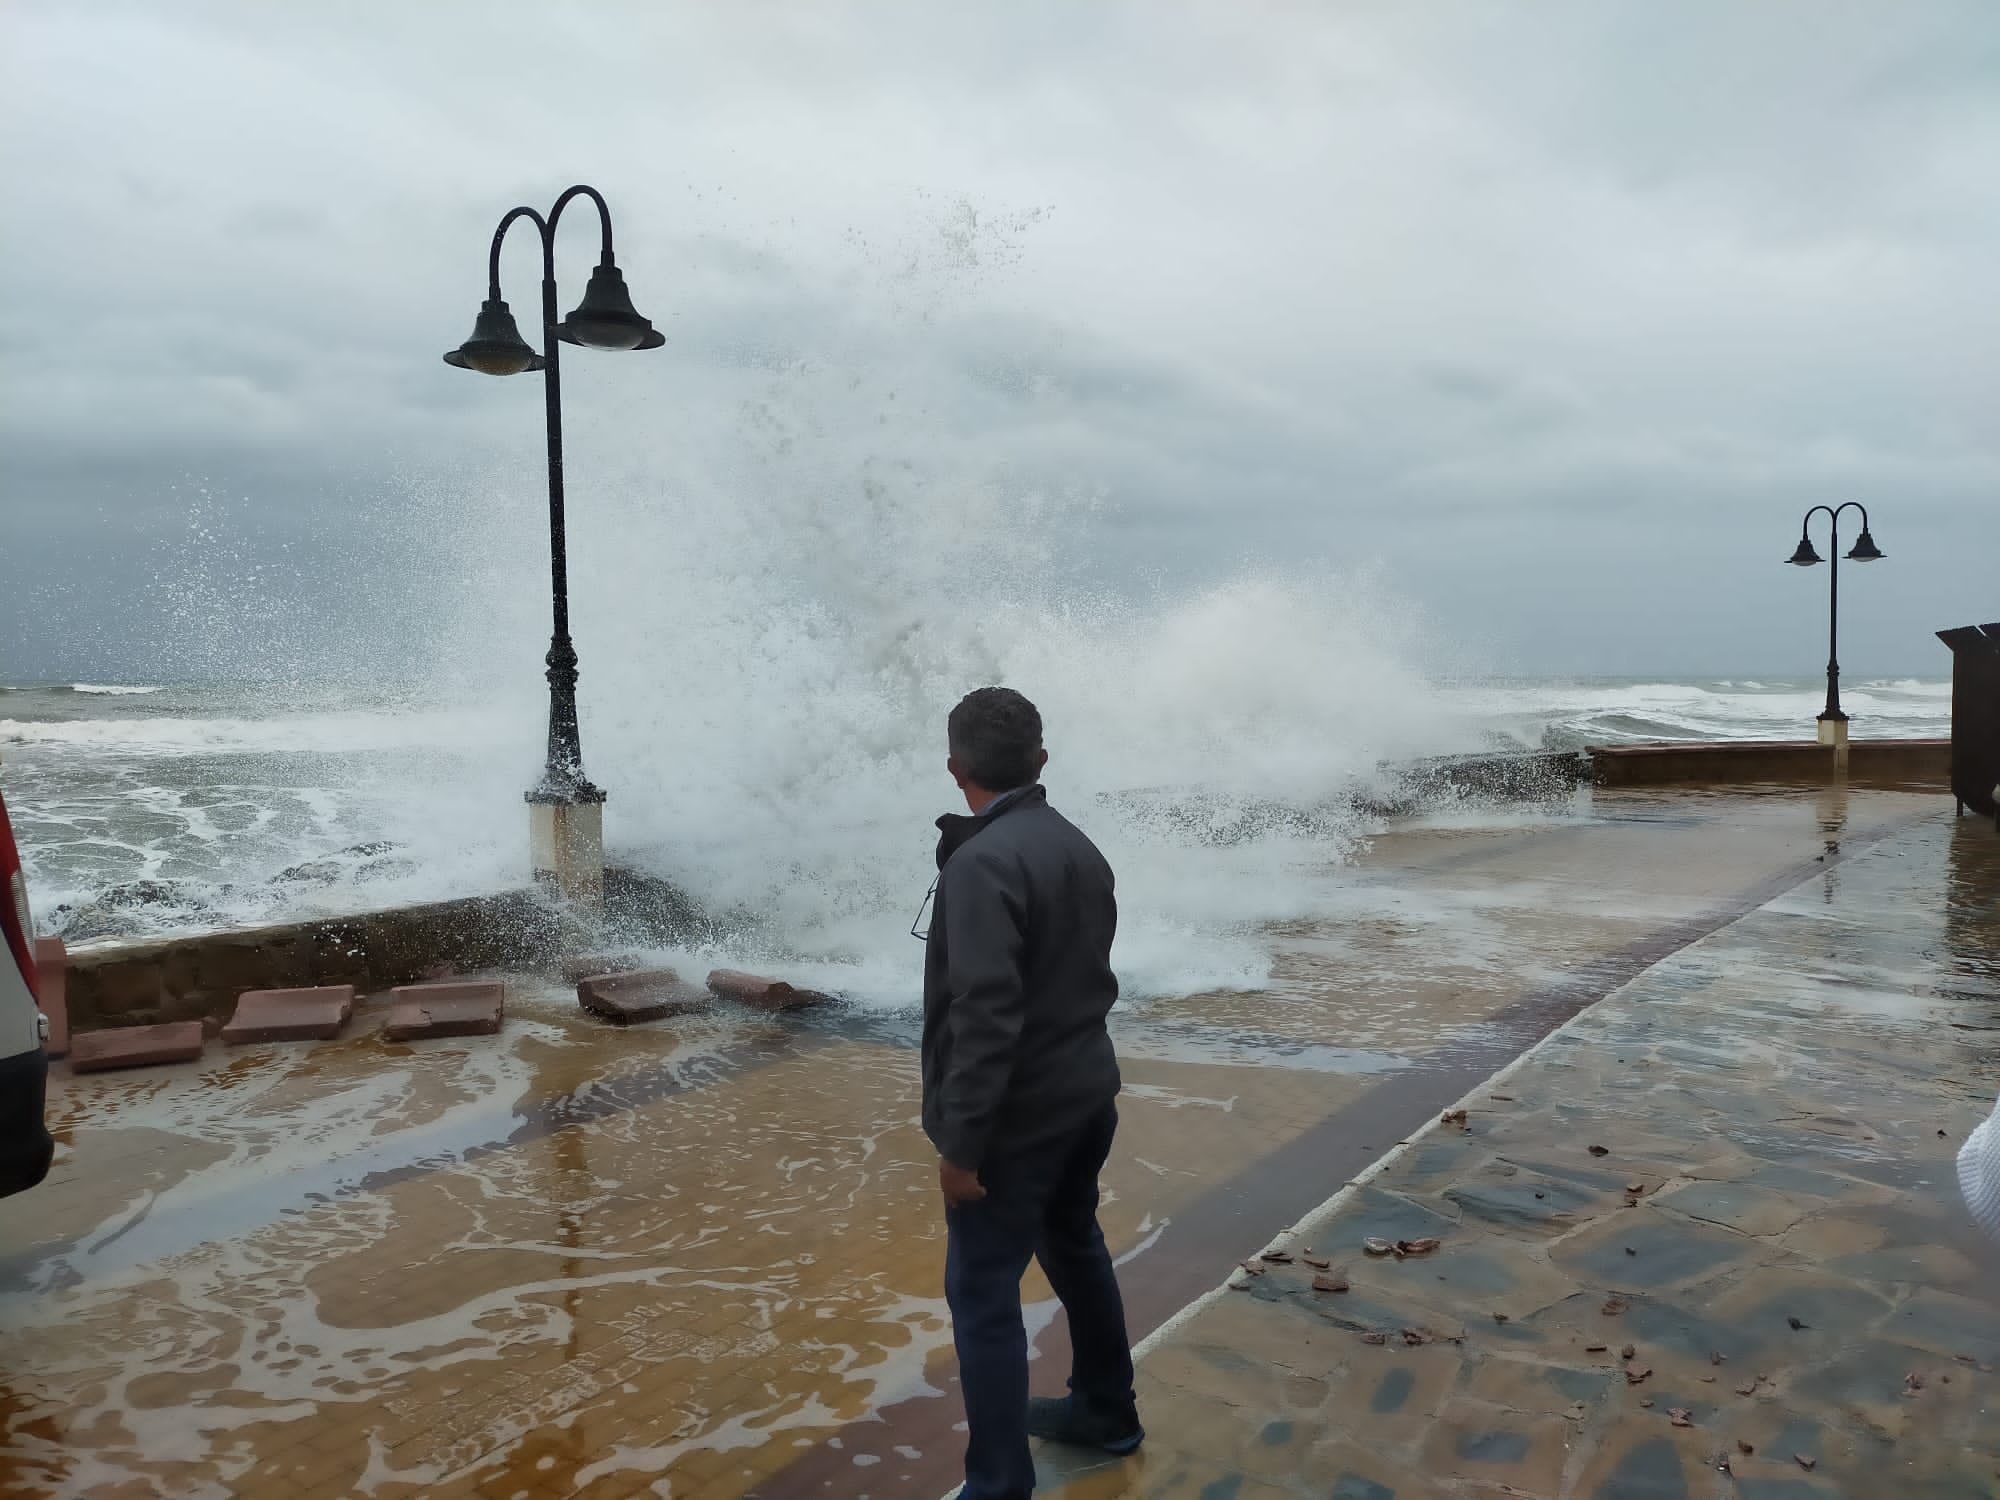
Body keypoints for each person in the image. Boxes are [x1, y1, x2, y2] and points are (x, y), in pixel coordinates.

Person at [921, 686, 1141, 1500]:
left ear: (956, 768)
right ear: (1040, 762)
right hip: (1088, 1096)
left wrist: (961, 1146)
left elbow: (986, 1017)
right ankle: (1105, 1413)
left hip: (1018, 1120)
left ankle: (999, 1484)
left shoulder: (983, 864)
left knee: (982, 1294)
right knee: (1074, 1243)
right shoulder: (1077, 846)